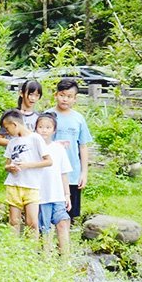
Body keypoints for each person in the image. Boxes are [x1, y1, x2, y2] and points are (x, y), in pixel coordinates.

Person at [1, 109, 53, 235]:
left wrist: (27, 165)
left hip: (31, 185)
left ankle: (32, 251)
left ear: (14, 125)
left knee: (32, 222)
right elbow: (6, 165)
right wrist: (10, 167)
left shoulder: (35, 138)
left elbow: (49, 161)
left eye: (7, 129)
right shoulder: (12, 143)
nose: (7, 132)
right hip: (14, 184)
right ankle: (14, 250)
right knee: (13, 221)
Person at [47, 78, 93, 220]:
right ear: (56, 95)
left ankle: (66, 240)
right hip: (51, 171)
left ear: (75, 99)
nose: (65, 99)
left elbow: (83, 146)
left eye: (69, 96)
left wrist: (84, 173)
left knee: (70, 212)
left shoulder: (78, 119)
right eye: (62, 95)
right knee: (49, 209)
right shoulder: (48, 116)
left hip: (72, 173)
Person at [34, 112, 73, 254]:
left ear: (54, 130)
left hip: (57, 195)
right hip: (41, 196)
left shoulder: (59, 149)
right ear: (36, 128)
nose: (44, 130)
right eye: (40, 127)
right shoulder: (33, 147)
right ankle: (45, 258)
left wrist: (67, 195)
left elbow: (64, 173)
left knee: (63, 223)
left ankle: (65, 258)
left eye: (48, 127)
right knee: (44, 229)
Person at [0, 80, 43, 147]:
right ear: (21, 93)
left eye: (37, 95)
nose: (33, 98)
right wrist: (15, 143)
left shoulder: (39, 118)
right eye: (30, 94)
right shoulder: (12, 115)